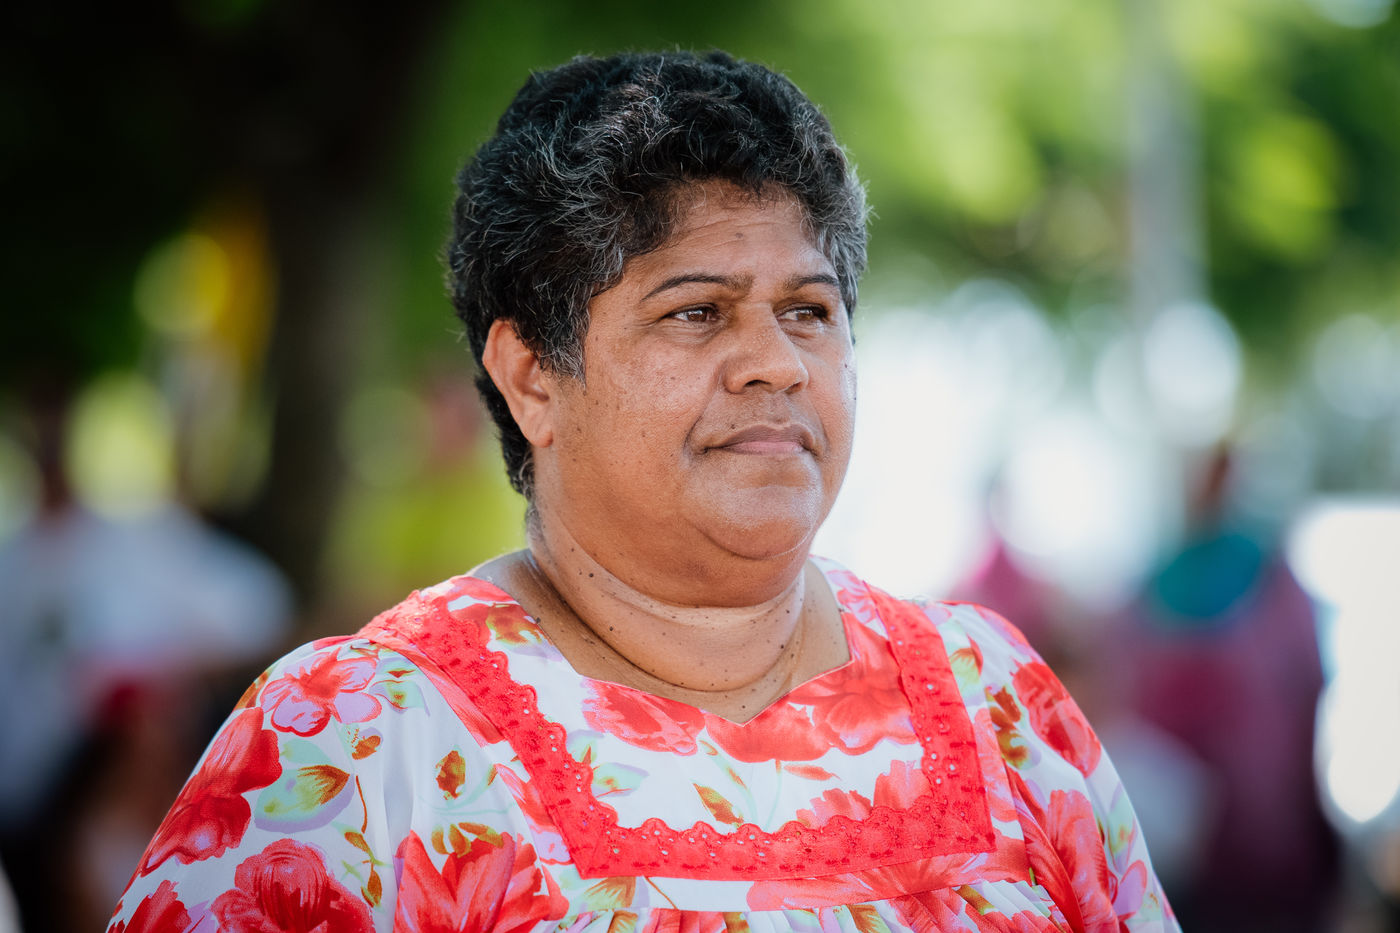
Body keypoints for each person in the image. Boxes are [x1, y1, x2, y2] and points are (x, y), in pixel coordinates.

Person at [109, 51, 1178, 932]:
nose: (776, 363)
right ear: (532, 376)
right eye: (696, 312)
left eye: (809, 311)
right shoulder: (361, 742)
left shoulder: (994, 702)